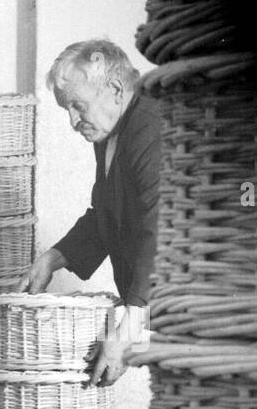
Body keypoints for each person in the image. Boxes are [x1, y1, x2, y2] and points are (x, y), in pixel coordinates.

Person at [18, 39, 160, 387]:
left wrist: (127, 331)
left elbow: (163, 229)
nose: (73, 121)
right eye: (67, 109)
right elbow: (106, 214)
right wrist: (51, 259)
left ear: (114, 89)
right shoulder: (112, 133)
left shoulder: (155, 124)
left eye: (78, 107)